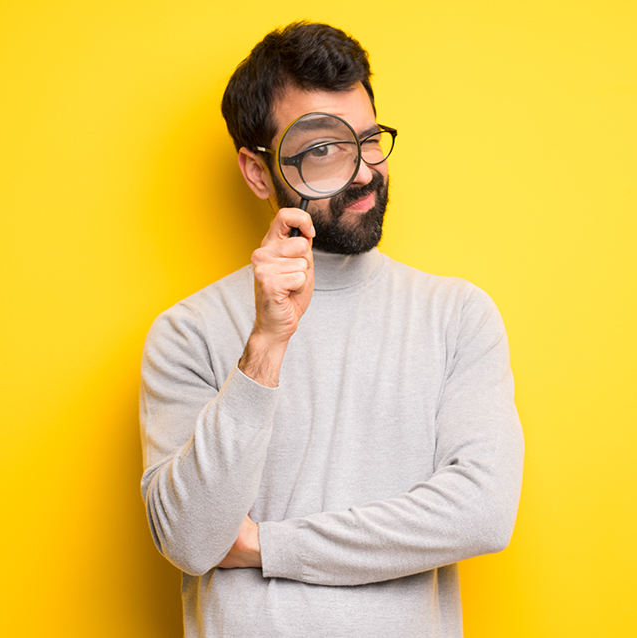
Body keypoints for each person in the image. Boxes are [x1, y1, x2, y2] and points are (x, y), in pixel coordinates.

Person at [140, 21, 524, 637]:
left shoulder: (457, 315)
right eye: (324, 149)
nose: (366, 171)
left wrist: (267, 545)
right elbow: (190, 540)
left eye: (369, 140)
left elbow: (482, 513)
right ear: (259, 172)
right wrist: (265, 346)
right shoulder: (187, 333)